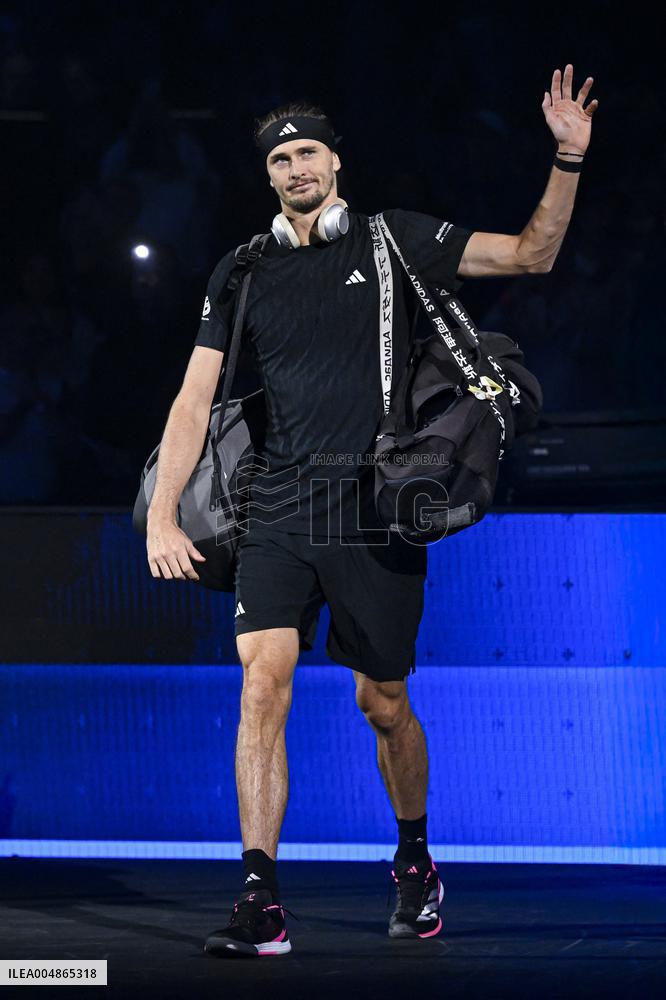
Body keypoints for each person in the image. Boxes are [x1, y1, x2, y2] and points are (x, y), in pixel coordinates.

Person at [145, 65, 597, 957]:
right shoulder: (241, 269)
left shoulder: (393, 241)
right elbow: (194, 401)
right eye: (281, 159)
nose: (296, 167)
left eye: (309, 151)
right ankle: (259, 897)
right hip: (276, 499)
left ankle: (416, 858)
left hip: (373, 504)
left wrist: (568, 157)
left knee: (382, 703)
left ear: (336, 163)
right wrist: (164, 514)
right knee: (261, 683)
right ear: (269, 175)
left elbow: (532, 254)